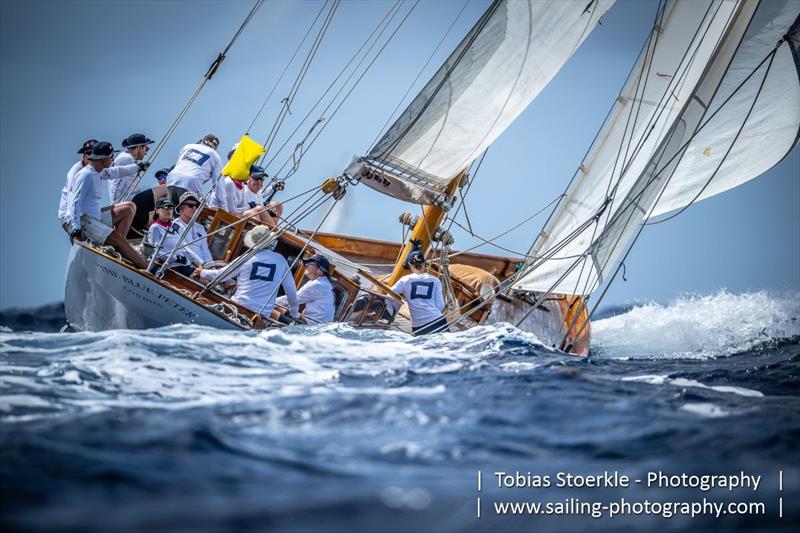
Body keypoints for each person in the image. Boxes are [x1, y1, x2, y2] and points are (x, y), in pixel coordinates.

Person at [64, 141, 148, 269]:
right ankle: (150, 270)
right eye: (111, 156)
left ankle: (116, 250)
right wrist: (76, 229)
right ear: (102, 159)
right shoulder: (86, 175)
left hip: (95, 218)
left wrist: (138, 167)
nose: (113, 159)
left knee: (129, 207)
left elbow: (117, 171)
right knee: (118, 238)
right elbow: (74, 202)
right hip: (83, 222)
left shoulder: (99, 171)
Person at [193, 225, 299, 319]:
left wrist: (202, 272)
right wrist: (294, 314)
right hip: (261, 317)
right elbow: (291, 292)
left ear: (253, 243)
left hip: (237, 307)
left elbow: (221, 275)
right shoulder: (281, 261)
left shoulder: (246, 258)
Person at [387, 248, 447, 335]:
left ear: (410, 265)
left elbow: (389, 295)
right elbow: (441, 305)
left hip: (418, 325)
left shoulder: (405, 280)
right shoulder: (435, 280)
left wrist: (392, 312)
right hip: (437, 321)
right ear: (424, 263)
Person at [158, 192, 214, 274]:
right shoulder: (174, 226)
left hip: (202, 270)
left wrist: (212, 268)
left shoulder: (201, 228)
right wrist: (204, 266)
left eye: (197, 206)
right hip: (185, 269)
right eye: (191, 205)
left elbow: (205, 251)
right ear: (181, 208)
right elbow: (185, 250)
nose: (195, 208)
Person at [210, 165, 278, 225]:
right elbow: (232, 211)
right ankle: (270, 234)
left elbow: (264, 193)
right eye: (256, 178)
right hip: (221, 217)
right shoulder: (231, 184)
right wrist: (250, 206)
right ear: (249, 178)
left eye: (262, 179)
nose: (260, 181)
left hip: (236, 215)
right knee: (257, 211)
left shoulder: (246, 190)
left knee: (276, 206)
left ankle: (274, 234)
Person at [277, 253, 335, 324]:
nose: (306, 265)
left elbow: (293, 299)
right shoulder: (323, 283)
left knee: (271, 308)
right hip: (315, 324)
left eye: (310, 263)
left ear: (320, 270)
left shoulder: (318, 284)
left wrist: (270, 300)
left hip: (310, 326)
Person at [165, 133, 222, 204]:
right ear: (215, 147)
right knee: (197, 211)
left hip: (171, 178)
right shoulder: (215, 155)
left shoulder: (187, 146)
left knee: (174, 209)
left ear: (202, 141)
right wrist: (222, 206)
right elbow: (218, 184)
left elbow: (179, 164)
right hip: (191, 183)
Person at [146, 198, 194, 277]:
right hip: (171, 268)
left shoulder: (177, 227)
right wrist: (176, 258)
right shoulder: (155, 228)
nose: (169, 210)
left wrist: (202, 263)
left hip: (185, 265)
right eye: (165, 208)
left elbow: (186, 248)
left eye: (171, 208)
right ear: (157, 210)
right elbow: (154, 252)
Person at [58, 139, 96, 231]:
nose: (91, 156)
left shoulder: (93, 168)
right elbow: (71, 198)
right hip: (70, 217)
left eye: (94, 153)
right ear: (83, 155)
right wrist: (74, 225)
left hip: (85, 215)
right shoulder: (76, 171)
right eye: (88, 153)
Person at [109, 133, 154, 204]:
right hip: (127, 201)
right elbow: (116, 183)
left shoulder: (125, 157)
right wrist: (115, 204)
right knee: (164, 190)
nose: (146, 153)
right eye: (146, 148)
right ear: (139, 147)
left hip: (130, 198)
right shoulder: (127, 159)